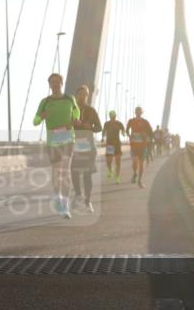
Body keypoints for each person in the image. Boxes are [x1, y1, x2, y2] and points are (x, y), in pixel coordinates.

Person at [33, 73, 80, 219]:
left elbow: (76, 111)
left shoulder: (69, 99)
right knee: (57, 172)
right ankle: (58, 197)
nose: (54, 84)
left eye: (57, 82)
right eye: (52, 82)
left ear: (61, 83)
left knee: (65, 171)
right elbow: (35, 121)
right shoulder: (45, 102)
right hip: (53, 142)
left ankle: (65, 206)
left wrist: (75, 118)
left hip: (68, 139)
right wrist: (42, 116)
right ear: (49, 85)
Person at [71, 85, 102, 213]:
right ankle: (78, 194)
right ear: (76, 96)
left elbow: (99, 127)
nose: (82, 97)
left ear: (87, 96)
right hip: (75, 146)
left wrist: (91, 128)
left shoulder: (91, 111)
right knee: (74, 171)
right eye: (80, 94)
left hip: (89, 147)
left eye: (85, 95)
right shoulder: (71, 110)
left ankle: (88, 201)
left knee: (87, 174)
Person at [126, 107, 152, 188]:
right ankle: (135, 173)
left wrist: (146, 135)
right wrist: (129, 135)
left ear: (141, 112)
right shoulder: (131, 121)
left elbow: (151, 132)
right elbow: (127, 130)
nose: (138, 112)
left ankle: (140, 180)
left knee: (141, 163)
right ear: (135, 112)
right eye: (137, 111)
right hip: (134, 145)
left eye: (139, 111)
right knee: (134, 162)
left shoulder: (145, 122)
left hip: (143, 145)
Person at [101, 110, 126, 183]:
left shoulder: (119, 123)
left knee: (118, 162)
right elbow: (103, 131)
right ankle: (110, 170)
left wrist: (123, 133)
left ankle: (117, 177)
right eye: (111, 115)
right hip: (109, 144)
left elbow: (123, 130)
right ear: (109, 116)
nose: (112, 117)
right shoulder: (107, 124)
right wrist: (103, 138)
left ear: (115, 116)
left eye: (113, 116)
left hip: (117, 144)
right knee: (109, 162)